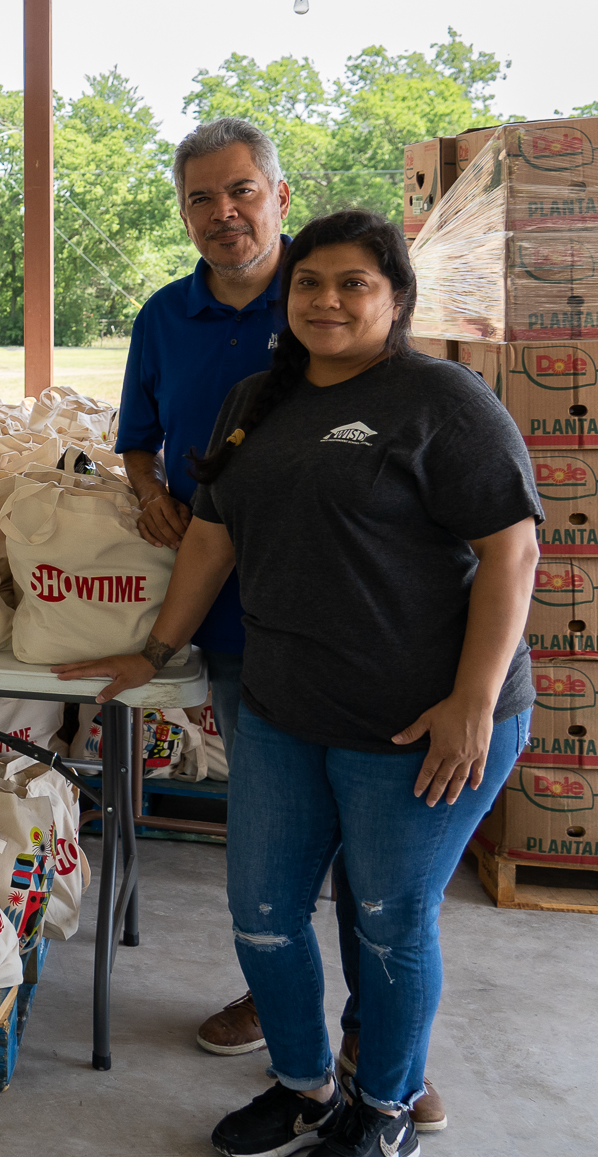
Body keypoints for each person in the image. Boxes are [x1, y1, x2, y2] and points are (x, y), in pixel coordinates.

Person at [60, 211, 537, 1157]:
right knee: (265, 915)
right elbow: (212, 536)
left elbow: (512, 551)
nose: (326, 299)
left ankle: (386, 1106)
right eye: (310, 283)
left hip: (418, 721)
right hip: (283, 709)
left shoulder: (440, 399)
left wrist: (472, 703)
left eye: (353, 282)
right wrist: (155, 651)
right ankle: (306, 1085)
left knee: (392, 922)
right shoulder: (256, 399)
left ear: (395, 298)